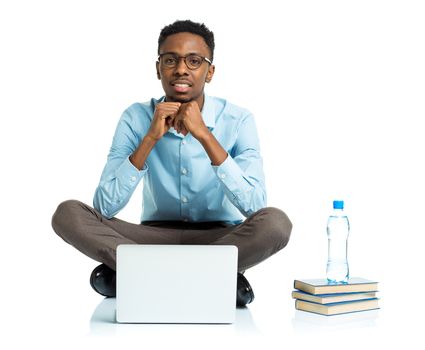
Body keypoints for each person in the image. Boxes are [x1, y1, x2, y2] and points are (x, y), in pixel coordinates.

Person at [52, 20, 292, 307]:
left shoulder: (239, 119)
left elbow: (255, 207)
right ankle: (213, 277)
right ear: (158, 69)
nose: (181, 69)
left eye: (194, 61)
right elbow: (104, 206)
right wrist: (150, 137)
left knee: (276, 223)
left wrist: (204, 135)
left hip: (221, 238)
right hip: (150, 238)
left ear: (210, 71)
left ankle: (138, 275)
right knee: (67, 214)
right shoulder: (135, 117)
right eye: (170, 60)